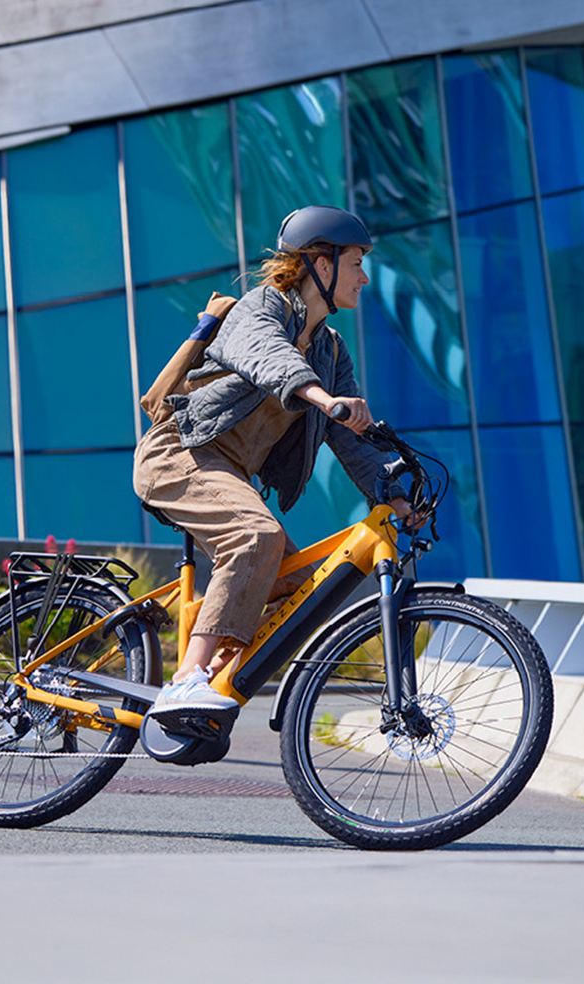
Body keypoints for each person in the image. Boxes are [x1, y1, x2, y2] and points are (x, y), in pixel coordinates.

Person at [133, 205, 415, 721]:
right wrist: (322, 398)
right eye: (355, 262)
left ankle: (220, 666)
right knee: (255, 538)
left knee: (292, 581)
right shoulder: (261, 307)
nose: (364, 276)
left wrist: (394, 493)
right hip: (180, 453)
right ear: (321, 265)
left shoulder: (331, 350)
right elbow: (267, 355)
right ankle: (185, 680)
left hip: (226, 475)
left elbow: (352, 440)